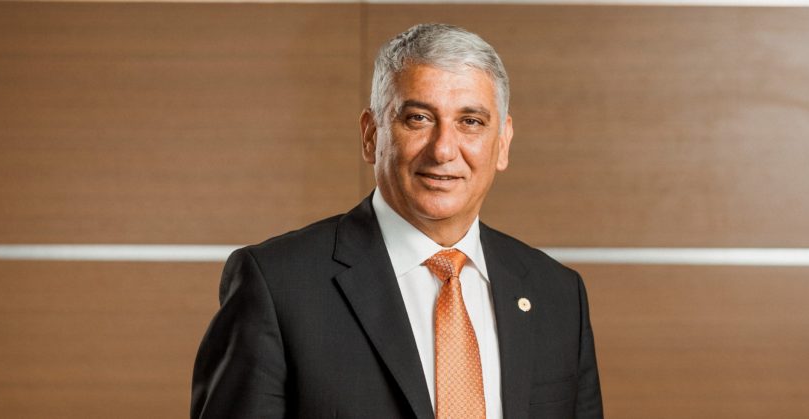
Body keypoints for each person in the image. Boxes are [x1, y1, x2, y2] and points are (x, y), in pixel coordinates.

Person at [190, 23, 603, 419]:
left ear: (503, 142)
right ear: (371, 135)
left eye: (470, 122)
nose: (443, 150)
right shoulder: (277, 286)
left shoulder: (558, 295)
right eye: (418, 118)